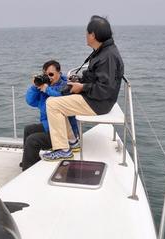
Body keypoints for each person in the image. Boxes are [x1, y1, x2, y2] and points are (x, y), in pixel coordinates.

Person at [42, 15, 124, 161]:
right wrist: (79, 80)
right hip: (97, 98)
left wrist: (82, 87)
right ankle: (72, 142)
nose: (85, 36)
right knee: (58, 100)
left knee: (52, 104)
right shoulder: (104, 51)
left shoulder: (107, 56)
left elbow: (105, 89)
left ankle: (62, 149)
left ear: (93, 35)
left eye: (87, 33)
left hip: (99, 103)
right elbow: (97, 78)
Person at [21, 60, 80, 171]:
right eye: (46, 75)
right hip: (50, 125)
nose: (49, 77)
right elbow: (30, 101)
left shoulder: (66, 86)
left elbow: (62, 97)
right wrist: (35, 86)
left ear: (59, 73)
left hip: (63, 133)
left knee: (32, 140)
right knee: (28, 129)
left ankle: (27, 170)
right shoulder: (45, 86)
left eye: (51, 74)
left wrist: (47, 89)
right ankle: (28, 160)